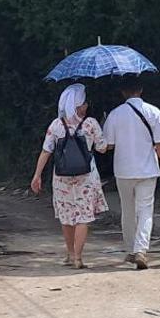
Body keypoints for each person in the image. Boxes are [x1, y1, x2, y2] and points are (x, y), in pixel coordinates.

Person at [29, 83, 109, 269]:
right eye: (84, 102)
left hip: (62, 177)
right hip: (86, 177)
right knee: (83, 216)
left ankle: (70, 253)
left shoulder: (56, 125)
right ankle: (78, 258)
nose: (87, 105)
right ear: (78, 105)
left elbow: (46, 151)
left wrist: (37, 175)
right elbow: (102, 148)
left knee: (67, 216)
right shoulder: (91, 124)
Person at [104, 75, 160, 270]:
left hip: (123, 170)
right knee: (145, 210)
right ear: (141, 90)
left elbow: (108, 145)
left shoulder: (115, 115)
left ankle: (131, 250)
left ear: (122, 92)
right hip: (148, 169)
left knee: (127, 210)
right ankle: (142, 249)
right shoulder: (153, 112)